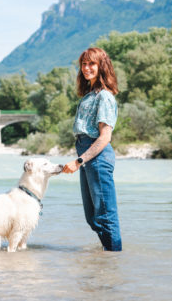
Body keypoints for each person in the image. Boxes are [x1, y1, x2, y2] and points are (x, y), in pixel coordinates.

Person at [61, 47, 121, 251]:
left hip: (97, 157)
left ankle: (113, 262)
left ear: (101, 66)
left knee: (105, 216)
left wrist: (79, 161)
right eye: (84, 64)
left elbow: (105, 137)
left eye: (91, 64)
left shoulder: (104, 96)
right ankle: (107, 257)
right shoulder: (89, 95)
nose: (86, 68)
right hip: (87, 156)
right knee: (92, 217)